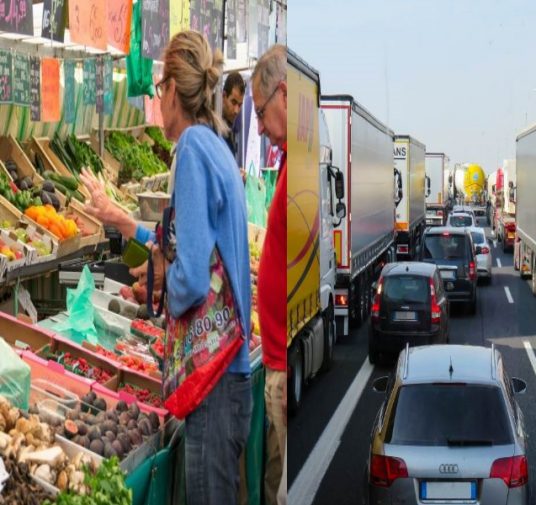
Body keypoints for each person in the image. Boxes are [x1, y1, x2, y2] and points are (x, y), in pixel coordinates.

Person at [82, 31, 252, 505]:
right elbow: (188, 243)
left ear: (172, 90)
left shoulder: (194, 149)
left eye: (158, 91)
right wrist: (131, 229)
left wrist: (163, 283)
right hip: (229, 378)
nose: (158, 101)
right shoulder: (217, 144)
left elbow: (193, 277)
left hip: (214, 383)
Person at [251, 44, 287, 505]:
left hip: (280, 357)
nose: (258, 127)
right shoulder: (287, 164)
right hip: (276, 356)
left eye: (260, 113)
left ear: (283, 95)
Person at [222, 71, 245, 155]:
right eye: (233, 102)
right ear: (224, 96)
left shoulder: (229, 125)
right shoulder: (211, 125)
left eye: (240, 105)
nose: (236, 111)